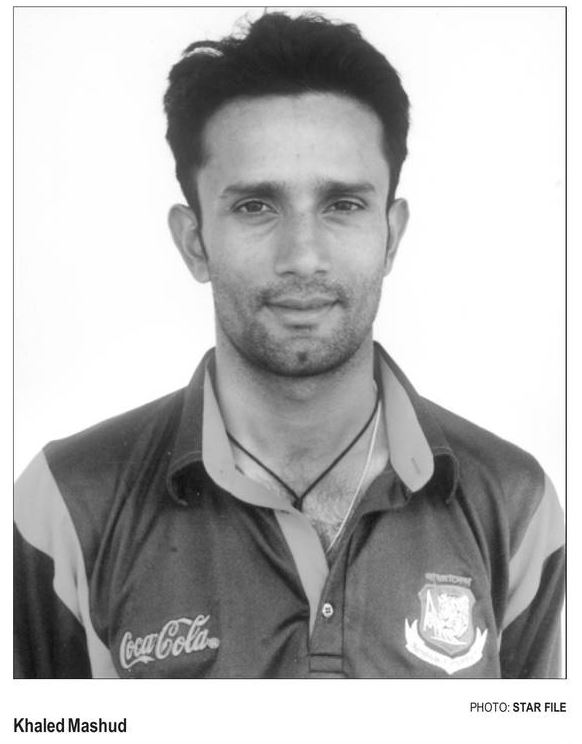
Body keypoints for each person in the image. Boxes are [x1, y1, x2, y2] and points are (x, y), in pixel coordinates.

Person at [14, 11, 564, 679]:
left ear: (391, 236)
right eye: (255, 206)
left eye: (343, 205)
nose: (303, 256)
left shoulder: (517, 505)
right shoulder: (65, 503)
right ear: (194, 242)